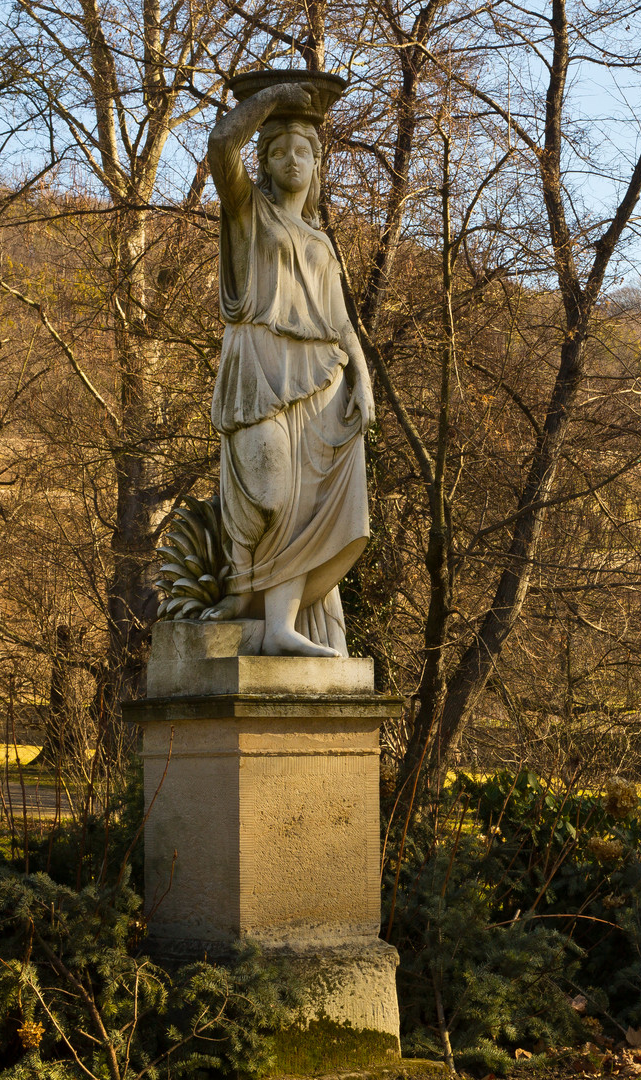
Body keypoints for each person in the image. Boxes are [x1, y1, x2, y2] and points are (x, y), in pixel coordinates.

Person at [200, 79, 375, 657]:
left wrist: (363, 380)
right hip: (260, 365)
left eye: (302, 150)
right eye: (278, 151)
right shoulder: (250, 211)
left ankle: (280, 628)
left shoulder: (321, 240)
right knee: (272, 493)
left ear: (316, 161)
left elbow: (341, 319)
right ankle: (250, 602)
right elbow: (222, 142)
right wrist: (276, 97)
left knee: (309, 508)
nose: (291, 160)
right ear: (266, 164)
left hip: (321, 376)